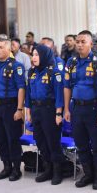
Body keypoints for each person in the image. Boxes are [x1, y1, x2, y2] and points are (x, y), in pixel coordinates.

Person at [64, 30, 97, 190]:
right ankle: (88, 174)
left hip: (94, 108)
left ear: (91, 44)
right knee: (81, 144)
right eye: (77, 41)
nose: (79, 44)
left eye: (83, 41)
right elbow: (67, 87)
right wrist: (66, 110)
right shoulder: (71, 62)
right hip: (77, 108)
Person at [0, 39, 26, 182]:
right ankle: (6, 166)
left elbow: (21, 88)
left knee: (12, 138)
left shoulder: (17, 66)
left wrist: (19, 109)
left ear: (9, 50)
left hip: (11, 106)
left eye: (1, 47)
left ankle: (16, 168)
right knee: (0, 138)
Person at [25, 45, 65, 185]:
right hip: (36, 110)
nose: (33, 58)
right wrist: (28, 112)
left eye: (36, 55)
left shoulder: (54, 72)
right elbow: (28, 93)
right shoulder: (32, 72)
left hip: (50, 110)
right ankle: (47, 169)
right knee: (41, 141)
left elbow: (60, 94)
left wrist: (59, 113)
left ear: (44, 56)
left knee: (52, 142)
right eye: (33, 55)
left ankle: (57, 171)